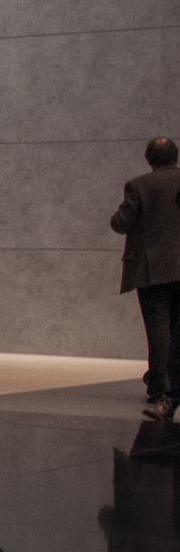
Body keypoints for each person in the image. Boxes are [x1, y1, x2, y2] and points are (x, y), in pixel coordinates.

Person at [110, 136, 180, 420]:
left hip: (153, 270)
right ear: (175, 156)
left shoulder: (138, 186)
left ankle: (161, 388)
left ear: (148, 159)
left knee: (158, 332)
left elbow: (120, 223)